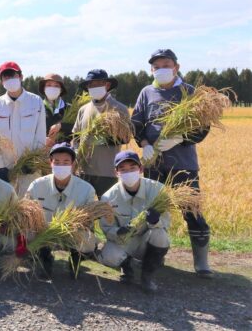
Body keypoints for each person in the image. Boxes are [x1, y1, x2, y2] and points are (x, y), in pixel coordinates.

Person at [131, 49, 213, 278]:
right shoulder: (147, 92)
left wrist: (179, 138)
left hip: (183, 164)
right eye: (156, 67)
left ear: (176, 66)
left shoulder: (189, 92)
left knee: (192, 211)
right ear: (151, 70)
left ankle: (201, 263)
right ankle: (153, 255)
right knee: (151, 211)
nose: (161, 69)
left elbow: (202, 127)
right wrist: (145, 143)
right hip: (153, 165)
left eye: (166, 65)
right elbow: (136, 122)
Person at [97, 151, 170, 293]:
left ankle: (147, 275)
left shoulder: (158, 190)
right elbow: (106, 227)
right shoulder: (108, 197)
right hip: (124, 241)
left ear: (141, 169)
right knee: (108, 257)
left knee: (160, 235)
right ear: (116, 172)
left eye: (132, 168)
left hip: (146, 239)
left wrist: (155, 221)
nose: (128, 172)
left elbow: (166, 223)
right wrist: (118, 232)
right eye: (123, 169)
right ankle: (127, 267)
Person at [25, 143, 98, 278]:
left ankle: (75, 258)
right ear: (50, 163)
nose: (61, 166)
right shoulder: (37, 186)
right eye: (57, 162)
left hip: (73, 233)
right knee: (26, 234)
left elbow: (91, 220)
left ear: (73, 164)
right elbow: (26, 214)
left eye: (66, 162)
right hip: (43, 231)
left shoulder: (87, 189)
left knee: (88, 240)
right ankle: (44, 256)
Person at [0, 61, 47, 195]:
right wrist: (0, 167)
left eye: (13, 76)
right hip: (6, 170)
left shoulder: (36, 102)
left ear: (21, 77)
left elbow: (40, 135)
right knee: (8, 207)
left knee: (31, 207)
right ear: (1, 81)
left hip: (30, 169)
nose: (10, 80)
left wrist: (33, 162)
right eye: (6, 77)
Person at [71, 69, 130, 197]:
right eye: (91, 85)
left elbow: (125, 138)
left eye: (98, 84)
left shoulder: (119, 109)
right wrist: (75, 151)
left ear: (107, 85)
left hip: (107, 171)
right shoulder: (83, 110)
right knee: (85, 210)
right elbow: (76, 136)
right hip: (84, 170)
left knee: (106, 209)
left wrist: (102, 140)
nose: (94, 88)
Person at [38, 73, 73, 147]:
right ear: (44, 88)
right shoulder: (37, 108)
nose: (52, 88)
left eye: (56, 86)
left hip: (65, 154)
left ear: (61, 90)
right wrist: (41, 139)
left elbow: (78, 128)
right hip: (42, 151)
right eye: (49, 85)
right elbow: (30, 130)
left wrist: (61, 126)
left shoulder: (70, 108)